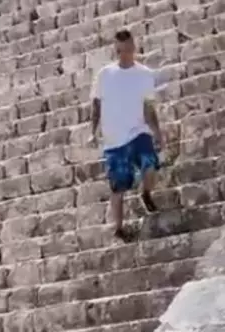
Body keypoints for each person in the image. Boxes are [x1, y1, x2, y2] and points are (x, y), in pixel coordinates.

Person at [90, 29, 164, 241]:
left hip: (138, 131)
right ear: (116, 50)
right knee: (118, 185)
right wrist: (92, 131)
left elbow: (149, 107)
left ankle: (146, 193)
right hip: (114, 139)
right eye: (121, 50)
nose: (126, 54)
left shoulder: (145, 74)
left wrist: (157, 132)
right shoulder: (105, 75)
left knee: (150, 163)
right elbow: (96, 104)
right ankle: (119, 228)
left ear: (134, 47)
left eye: (129, 49)